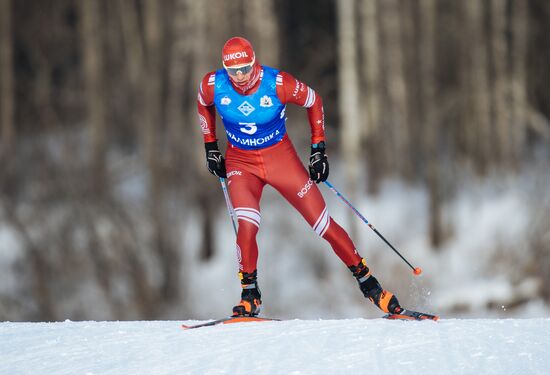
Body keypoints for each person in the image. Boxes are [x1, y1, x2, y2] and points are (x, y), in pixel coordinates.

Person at [197, 36, 403, 317]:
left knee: (323, 225)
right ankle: (250, 295)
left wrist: (318, 149)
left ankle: (371, 285)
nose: (240, 76)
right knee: (246, 225)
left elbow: (314, 100)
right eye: (233, 71)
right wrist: (210, 145)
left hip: (280, 159)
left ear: (254, 61)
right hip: (241, 163)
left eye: (245, 68)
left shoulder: (278, 83)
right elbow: (202, 103)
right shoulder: (214, 84)